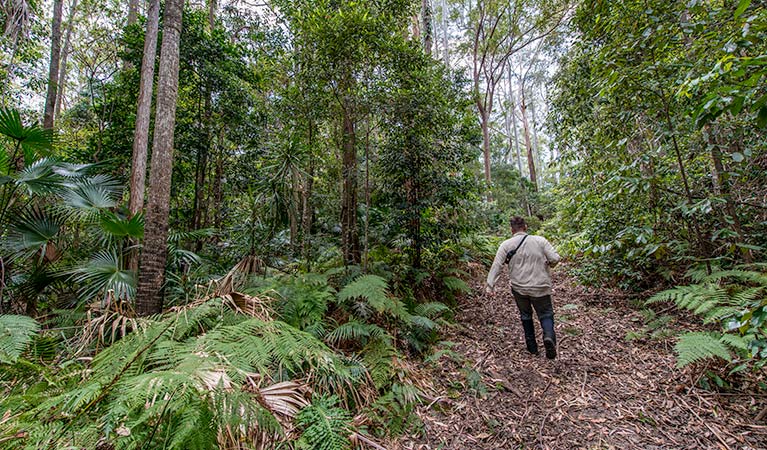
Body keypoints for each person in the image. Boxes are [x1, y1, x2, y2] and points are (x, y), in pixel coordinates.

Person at [485, 216, 561, 359]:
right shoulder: (540, 241)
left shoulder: (506, 245)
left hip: (519, 288)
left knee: (525, 315)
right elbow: (555, 258)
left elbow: (497, 265)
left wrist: (490, 286)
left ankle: (532, 348)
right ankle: (549, 337)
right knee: (545, 314)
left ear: (511, 229)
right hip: (541, 286)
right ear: (525, 227)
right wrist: (549, 265)